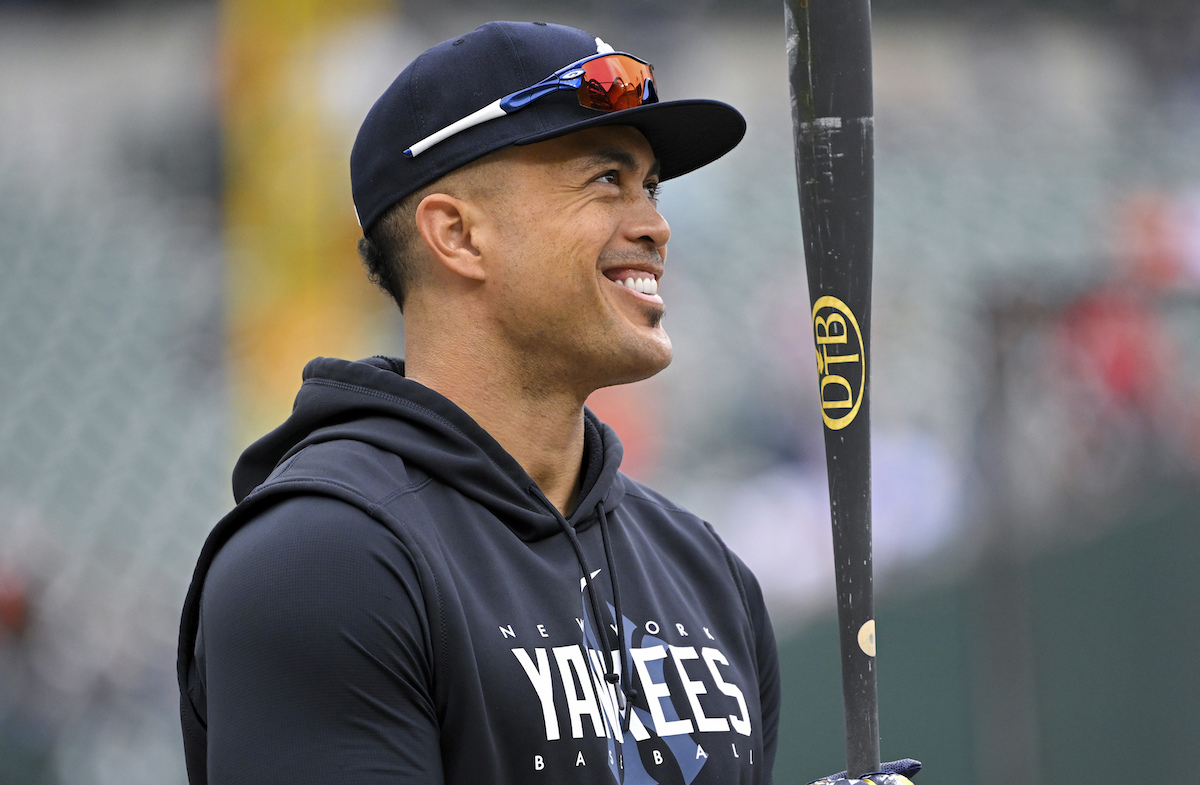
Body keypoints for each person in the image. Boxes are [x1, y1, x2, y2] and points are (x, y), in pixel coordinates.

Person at [179, 20, 915, 785]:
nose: (657, 226)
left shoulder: (704, 571)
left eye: (651, 186)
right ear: (458, 234)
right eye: (606, 180)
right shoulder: (323, 559)